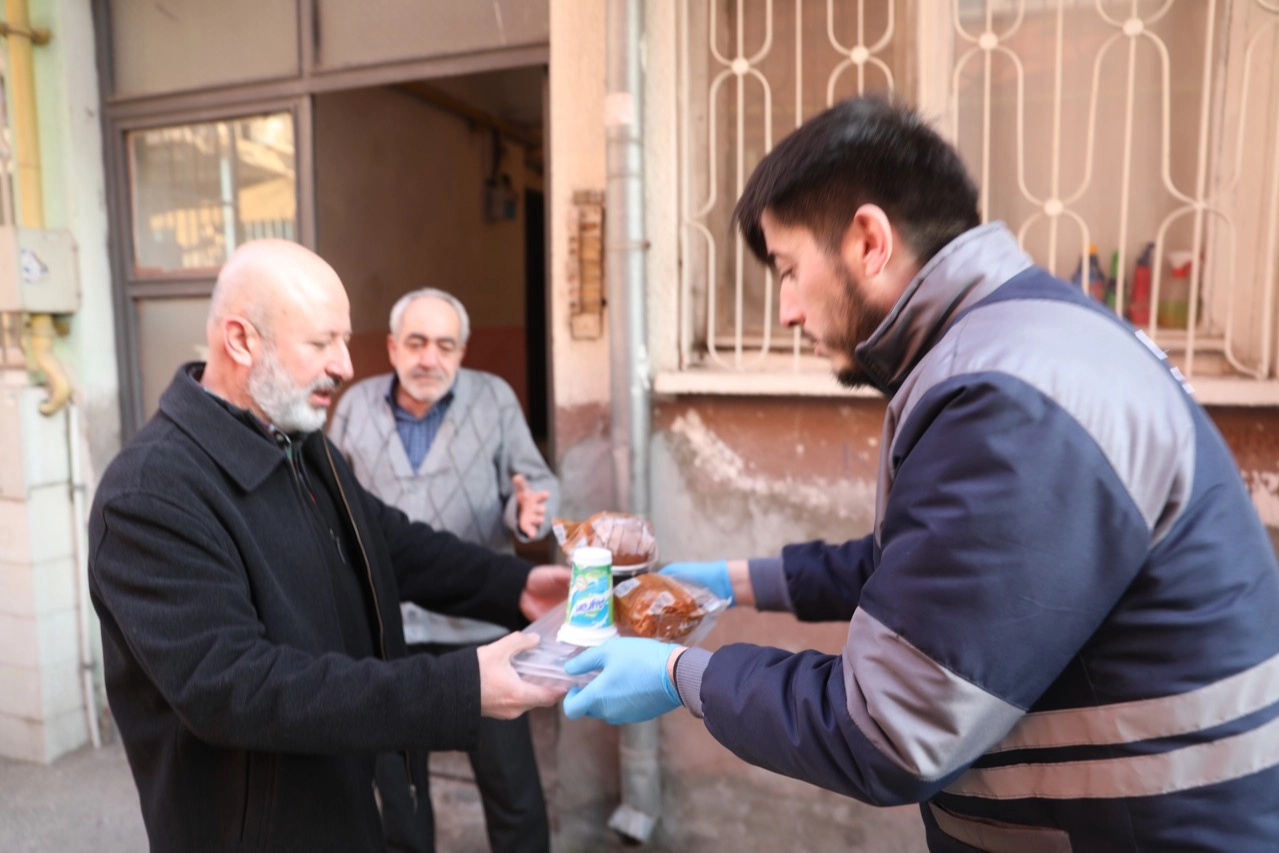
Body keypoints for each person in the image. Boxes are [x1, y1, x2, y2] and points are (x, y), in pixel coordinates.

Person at [561, 96, 1279, 850]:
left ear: (867, 240)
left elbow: (886, 730)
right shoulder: (1014, 345)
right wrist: (724, 579)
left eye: (787, 269)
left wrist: (680, 673)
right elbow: (927, 575)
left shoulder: (1007, 397)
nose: (785, 311)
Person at [87, 240, 569, 853]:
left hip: (347, 802)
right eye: (322, 343)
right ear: (241, 341)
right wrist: (460, 687)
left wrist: (514, 586)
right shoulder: (149, 493)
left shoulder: (298, 440)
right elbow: (237, 687)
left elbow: (386, 542)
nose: (345, 365)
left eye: (344, 339)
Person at [328, 288, 559, 853]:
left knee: (513, 793)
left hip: (481, 633)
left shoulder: (494, 398)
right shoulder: (355, 406)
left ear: (462, 351)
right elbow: (332, 504)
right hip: (388, 635)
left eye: (445, 345)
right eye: (416, 342)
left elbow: (535, 483)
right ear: (391, 346)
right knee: (400, 801)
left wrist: (526, 515)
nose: (429, 358)